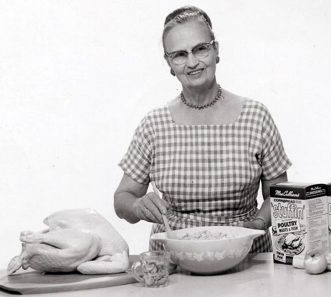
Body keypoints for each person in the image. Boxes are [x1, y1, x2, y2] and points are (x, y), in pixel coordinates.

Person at [114, 5, 291, 253]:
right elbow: (122, 198)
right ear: (169, 62)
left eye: (200, 49)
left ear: (216, 50)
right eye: (180, 54)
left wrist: (257, 224)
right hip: (174, 259)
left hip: (246, 255)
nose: (192, 62)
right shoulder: (154, 125)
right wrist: (136, 207)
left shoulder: (256, 116)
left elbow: (280, 196)